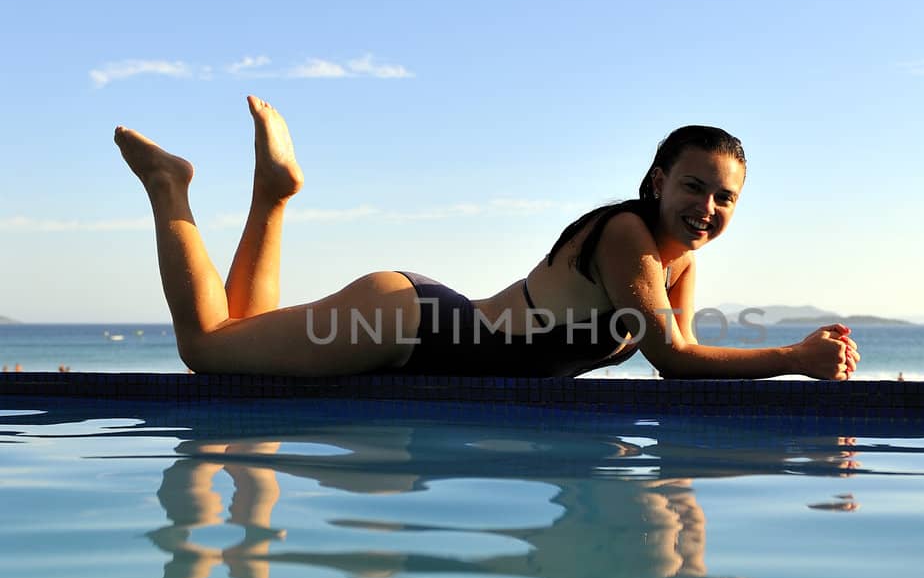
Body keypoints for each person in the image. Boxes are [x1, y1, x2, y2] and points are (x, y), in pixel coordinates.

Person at [114, 97, 859, 381]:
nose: (707, 207)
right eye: (694, 186)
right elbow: (669, 354)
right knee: (206, 349)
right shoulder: (627, 234)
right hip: (412, 327)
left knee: (239, 339)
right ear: (657, 180)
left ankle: (272, 197)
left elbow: (682, 361)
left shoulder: (676, 261)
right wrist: (793, 357)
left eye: (724, 197)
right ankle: (169, 188)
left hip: (423, 320)